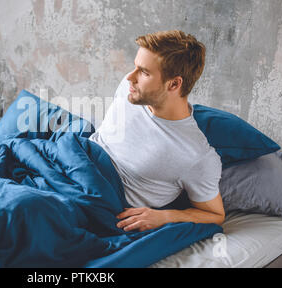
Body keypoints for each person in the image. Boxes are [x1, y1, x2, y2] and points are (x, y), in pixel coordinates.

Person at [89, 30, 225, 232]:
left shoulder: (196, 155)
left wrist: (165, 216)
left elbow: (216, 215)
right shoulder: (130, 90)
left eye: (143, 72)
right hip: (76, 164)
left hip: (99, 199)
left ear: (174, 84)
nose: (130, 77)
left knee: (28, 209)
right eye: (135, 67)